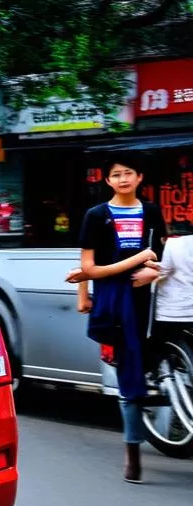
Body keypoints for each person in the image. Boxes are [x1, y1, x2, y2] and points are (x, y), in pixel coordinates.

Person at [74, 154, 167, 483]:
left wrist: (151, 272)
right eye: (117, 174)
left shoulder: (152, 211)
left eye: (129, 173)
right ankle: (132, 450)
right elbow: (89, 267)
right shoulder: (97, 215)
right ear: (108, 180)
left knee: (150, 361)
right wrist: (84, 292)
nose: (123, 178)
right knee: (129, 370)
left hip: (149, 297)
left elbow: (161, 253)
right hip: (115, 299)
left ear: (140, 177)